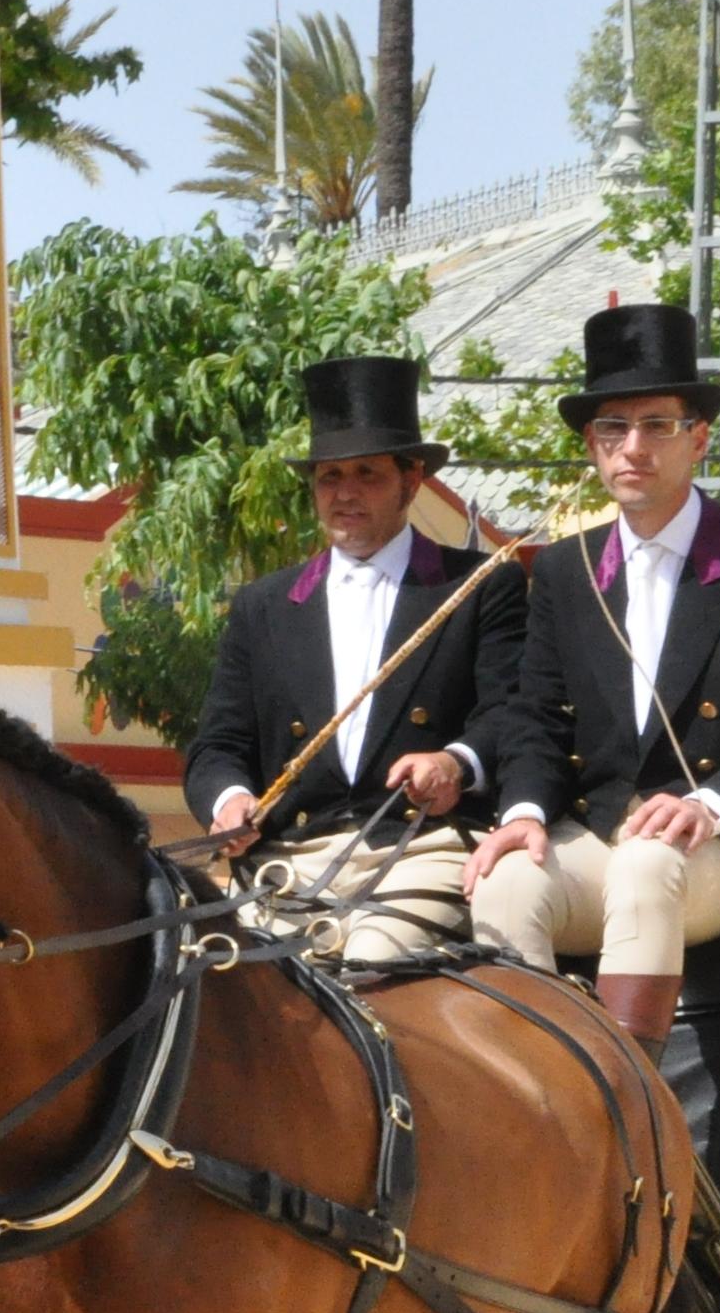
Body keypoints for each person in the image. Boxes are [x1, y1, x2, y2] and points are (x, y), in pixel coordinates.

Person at [461, 302, 720, 1044]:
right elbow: (536, 719)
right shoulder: (567, 572)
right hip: (604, 833)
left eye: (657, 425)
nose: (632, 446)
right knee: (506, 885)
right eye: (613, 427)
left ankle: (625, 1111)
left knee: (647, 865)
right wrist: (521, 815)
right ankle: (541, 1103)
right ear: (591, 444)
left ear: (698, 438)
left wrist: (711, 803)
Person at [184, 356, 515, 963]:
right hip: (289, 857)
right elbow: (217, 745)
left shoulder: (477, 586)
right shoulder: (265, 606)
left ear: (411, 481)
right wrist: (228, 798)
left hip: (422, 848)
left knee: (368, 968)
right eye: (330, 476)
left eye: (367, 474)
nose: (345, 493)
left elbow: (514, 715)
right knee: (232, 991)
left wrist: (454, 761)